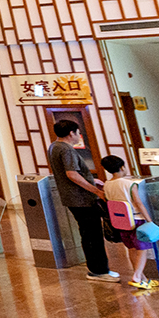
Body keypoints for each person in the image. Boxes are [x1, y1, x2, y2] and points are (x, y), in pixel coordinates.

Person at [47, 120, 124, 283]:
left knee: (88, 233)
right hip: (81, 199)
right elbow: (72, 174)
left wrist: (91, 180)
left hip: (72, 198)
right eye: (78, 132)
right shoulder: (66, 149)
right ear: (71, 133)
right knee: (92, 235)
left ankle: (98, 269)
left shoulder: (54, 146)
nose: (78, 136)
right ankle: (98, 271)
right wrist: (96, 191)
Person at [99, 155, 158, 291]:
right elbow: (138, 203)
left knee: (131, 248)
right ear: (122, 167)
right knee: (142, 249)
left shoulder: (107, 184)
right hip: (136, 219)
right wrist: (149, 220)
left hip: (121, 221)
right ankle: (136, 277)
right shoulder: (129, 184)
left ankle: (143, 279)